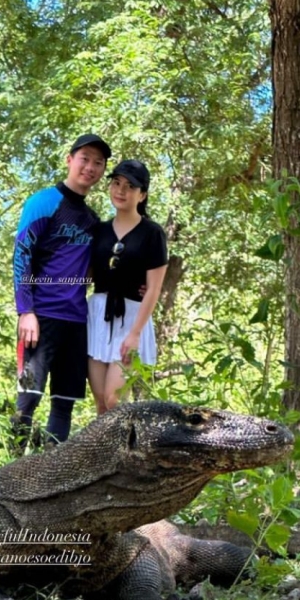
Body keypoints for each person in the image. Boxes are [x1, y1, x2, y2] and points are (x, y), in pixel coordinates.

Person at [12, 133, 111, 452]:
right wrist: (25, 311)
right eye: (85, 159)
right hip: (39, 319)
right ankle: (9, 470)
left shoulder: (92, 221)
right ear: (70, 160)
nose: (90, 167)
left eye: (99, 163)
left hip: (76, 322)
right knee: (27, 398)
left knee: (64, 403)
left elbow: (100, 268)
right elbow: (22, 253)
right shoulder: (43, 202)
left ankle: (49, 476)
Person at [87, 160, 168, 414]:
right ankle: (105, 454)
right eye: (116, 183)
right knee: (100, 400)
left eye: (130, 186)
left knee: (113, 399)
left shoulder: (152, 233)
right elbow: (87, 275)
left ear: (142, 194)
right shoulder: (98, 230)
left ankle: (128, 451)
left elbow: (153, 289)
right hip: (98, 315)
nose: (120, 191)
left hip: (132, 319)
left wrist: (134, 334)